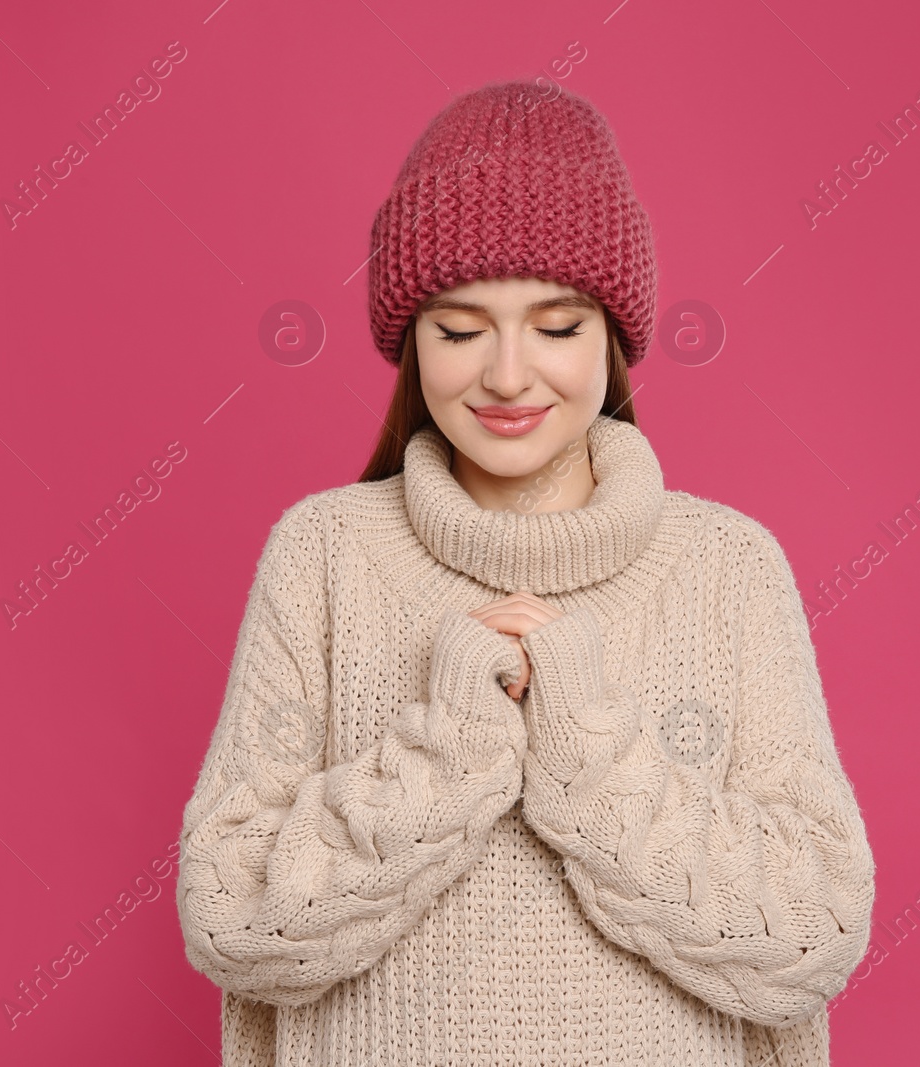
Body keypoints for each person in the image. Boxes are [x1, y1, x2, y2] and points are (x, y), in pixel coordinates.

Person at [175, 78, 875, 1066]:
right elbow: (234, 912)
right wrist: (444, 754)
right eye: (459, 330)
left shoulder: (726, 570)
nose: (507, 374)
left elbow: (813, 931)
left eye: (555, 327)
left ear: (613, 338)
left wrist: (591, 750)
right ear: (409, 339)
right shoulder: (325, 554)